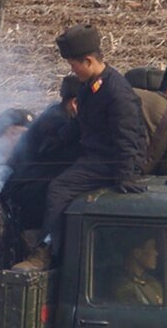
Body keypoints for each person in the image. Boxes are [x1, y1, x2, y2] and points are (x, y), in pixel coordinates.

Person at [15, 24, 148, 270]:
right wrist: (58, 141)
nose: (72, 71)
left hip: (108, 161)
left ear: (88, 61)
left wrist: (126, 176)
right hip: (92, 155)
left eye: (73, 65)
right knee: (37, 181)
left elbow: (128, 137)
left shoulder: (117, 92)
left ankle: (46, 250)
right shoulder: (92, 87)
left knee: (58, 189)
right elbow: (81, 124)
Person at [0, 75, 82, 237]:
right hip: (27, 196)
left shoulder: (56, 113)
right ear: (74, 103)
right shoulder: (57, 122)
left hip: (29, 191)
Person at [112, 234, 164, 305]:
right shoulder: (124, 287)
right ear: (137, 253)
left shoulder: (152, 281)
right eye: (152, 248)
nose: (156, 253)